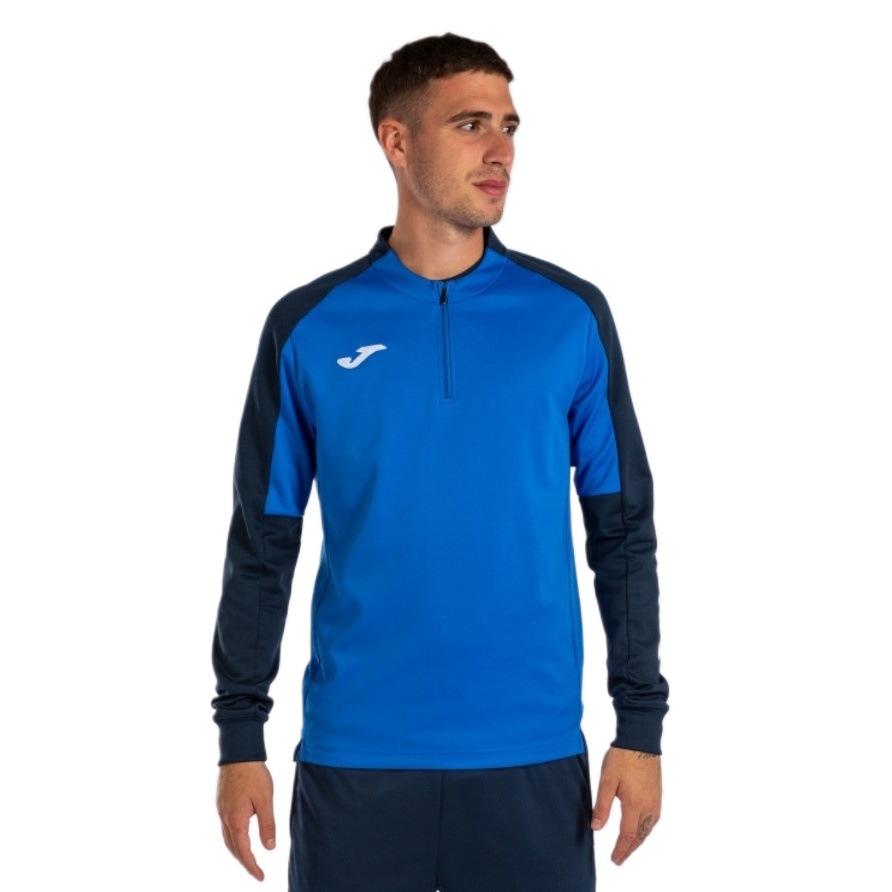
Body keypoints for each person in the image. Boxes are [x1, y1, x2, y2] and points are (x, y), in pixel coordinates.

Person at [212, 33, 668, 892]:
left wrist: (639, 727)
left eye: (509, 126)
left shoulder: (569, 316)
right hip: (357, 755)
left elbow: (622, 532)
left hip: (530, 753)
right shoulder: (308, 326)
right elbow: (263, 545)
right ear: (397, 141)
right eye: (469, 124)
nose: (501, 151)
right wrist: (241, 739)